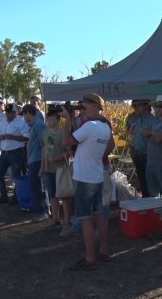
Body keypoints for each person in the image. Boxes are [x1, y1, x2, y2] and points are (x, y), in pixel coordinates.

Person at [60, 93, 112, 271]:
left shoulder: (89, 126)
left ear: (96, 107)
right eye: (80, 107)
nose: (81, 110)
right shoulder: (104, 127)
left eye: (84, 107)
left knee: (85, 219)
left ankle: (90, 258)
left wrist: (67, 120)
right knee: (99, 216)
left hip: (84, 179)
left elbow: (66, 141)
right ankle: (104, 251)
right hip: (96, 176)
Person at [40, 111, 72, 230]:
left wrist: (57, 158)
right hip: (49, 169)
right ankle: (55, 219)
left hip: (61, 169)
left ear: (58, 120)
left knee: (64, 196)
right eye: (48, 119)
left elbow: (70, 152)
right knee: (52, 195)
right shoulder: (45, 133)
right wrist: (42, 167)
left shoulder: (63, 133)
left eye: (51, 119)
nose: (49, 122)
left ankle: (67, 221)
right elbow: (43, 150)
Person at [0, 104, 29, 204]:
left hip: (16, 152)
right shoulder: (3, 122)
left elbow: (27, 137)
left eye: (10, 112)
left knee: (16, 176)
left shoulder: (21, 123)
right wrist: (1, 137)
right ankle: (4, 196)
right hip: (4, 152)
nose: (8, 114)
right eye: (7, 112)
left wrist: (12, 137)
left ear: (15, 112)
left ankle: (17, 196)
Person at [22, 104, 49, 222]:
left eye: (24, 113)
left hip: (37, 160)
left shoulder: (38, 125)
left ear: (29, 113)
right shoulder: (33, 126)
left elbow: (44, 143)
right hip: (33, 159)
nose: (23, 116)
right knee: (35, 185)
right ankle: (41, 209)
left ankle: (43, 211)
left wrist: (42, 164)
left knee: (37, 186)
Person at [132, 100, 156, 197]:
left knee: (149, 183)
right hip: (138, 155)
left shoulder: (152, 120)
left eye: (138, 105)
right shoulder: (139, 120)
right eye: (135, 105)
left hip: (147, 156)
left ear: (146, 106)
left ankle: (150, 204)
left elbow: (155, 138)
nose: (136, 107)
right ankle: (145, 202)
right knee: (142, 182)